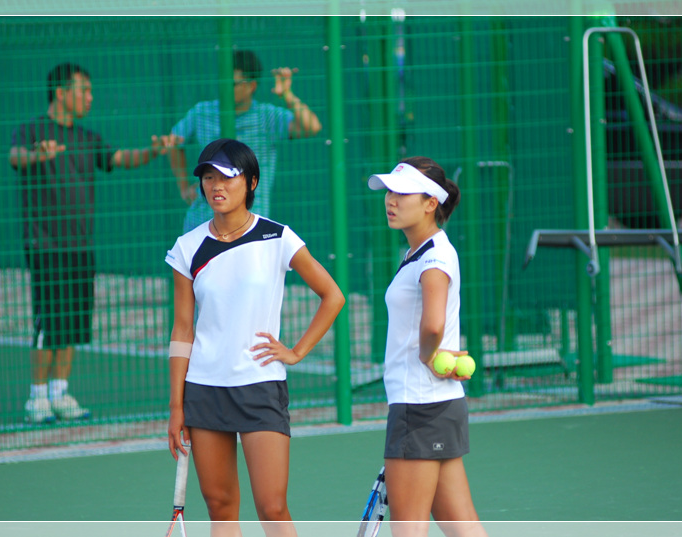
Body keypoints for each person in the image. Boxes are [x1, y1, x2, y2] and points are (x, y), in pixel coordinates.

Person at [165, 138, 344, 536]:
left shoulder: (278, 238)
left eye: (227, 177)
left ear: (251, 182)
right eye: (208, 177)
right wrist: (177, 405)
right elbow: (183, 330)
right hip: (204, 390)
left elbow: (333, 296)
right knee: (221, 508)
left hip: (260, 386)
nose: (216, 186)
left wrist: (296, 351)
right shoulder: (187, 248)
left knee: (273, 508)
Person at [9, 62, 181, 424]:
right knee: (49, 322)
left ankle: (60, 393)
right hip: (45, 245)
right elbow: (16, 157)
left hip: (81, 246)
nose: (90, 97)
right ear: (61, 93)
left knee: (71, 321)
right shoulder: (32, 130)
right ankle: (37, 397)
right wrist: (39, 154)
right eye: (83, 90)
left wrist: (153, 151)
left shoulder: (87, 138)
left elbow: (120, 159)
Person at [367, 157, 489, 537]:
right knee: (463, 526)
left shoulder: (433, 258)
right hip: (441, 405)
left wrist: (427, 356)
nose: (391, 200)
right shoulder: (425, 252)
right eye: (389, 191)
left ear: (430, 203)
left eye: (403, 194)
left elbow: (433, 324)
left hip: (418, 408)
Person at [170, 49, 322, 233]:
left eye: (233, 84)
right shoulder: (201, 112)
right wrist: (184, 187)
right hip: (203, 223)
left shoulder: (266, 116)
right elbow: (173, 142)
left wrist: (287, 95)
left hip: (248, 227)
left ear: (251, 86)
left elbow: (311, 127)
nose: (226, 89)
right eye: (223, 82)